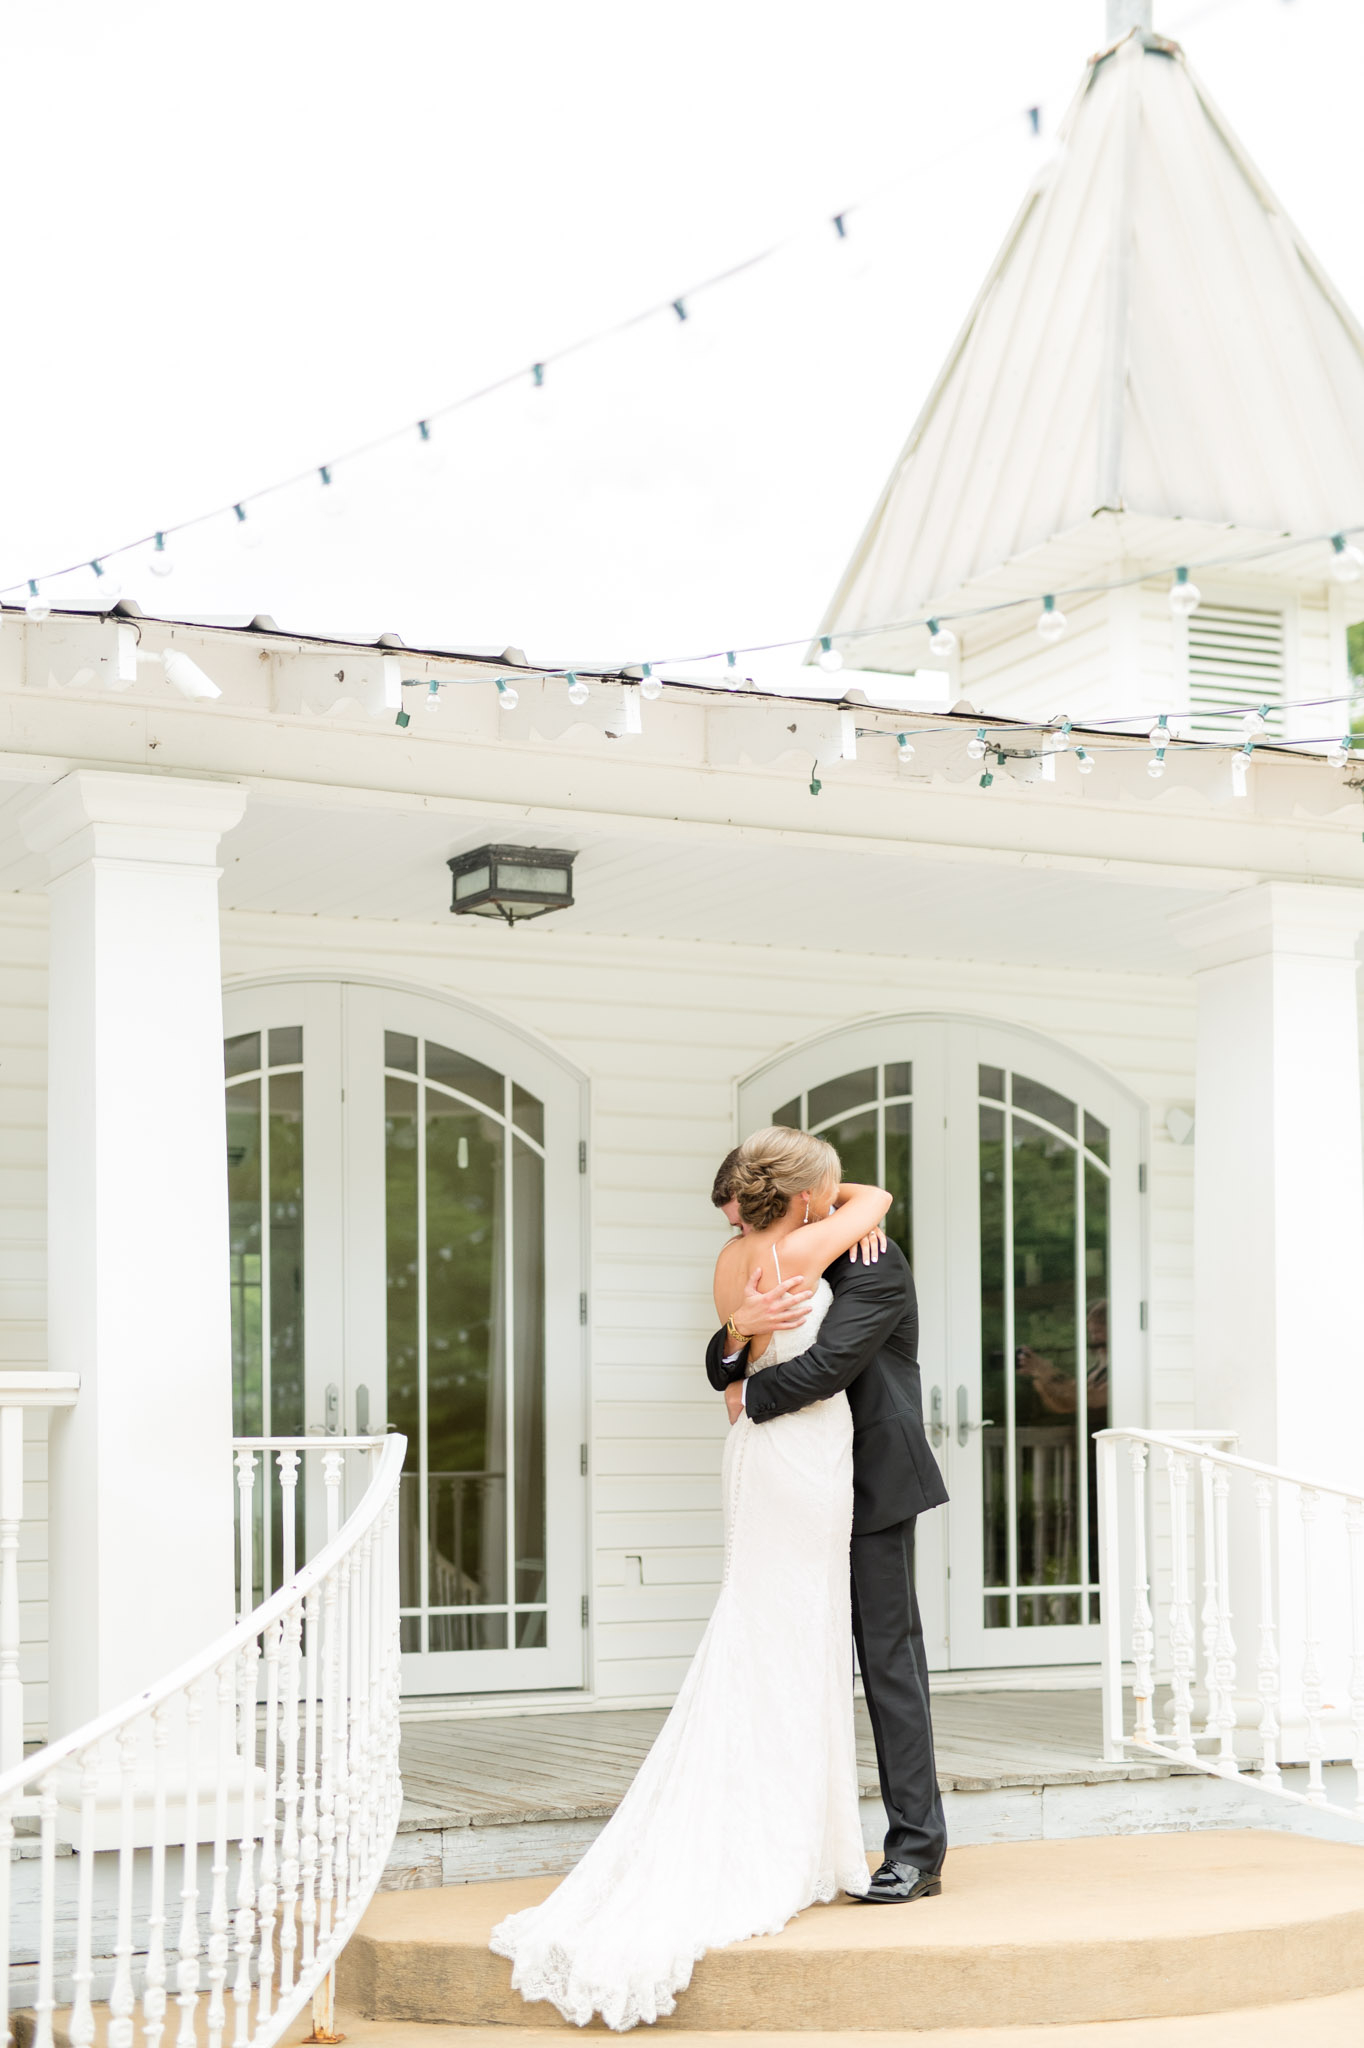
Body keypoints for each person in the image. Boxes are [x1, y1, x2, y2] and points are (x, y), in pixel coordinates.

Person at [490, 1129, 892, 2030]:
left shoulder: (733, 1256)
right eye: (818, 1192)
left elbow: (732, 1371)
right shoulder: (804, 1242)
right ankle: (794, 1840)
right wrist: (844, 1202)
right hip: (805, 1451)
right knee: (799, 1629)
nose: (837, 1200)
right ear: (798, 1202)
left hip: (750, 1445)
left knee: (764, 1622)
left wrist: (805, 1194)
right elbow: (873, 1201)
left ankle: (796, 1825)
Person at [707, 1141, 949, 1906]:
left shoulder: (875, 1262)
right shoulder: (762, 1254)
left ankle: (917, 1852)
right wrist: (732, 1344)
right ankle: (780, 1831)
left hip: (871, 1484)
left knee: (888, 1666)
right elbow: (721, 1356)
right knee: (787, 1654)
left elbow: (828, 1366)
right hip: (798, 1484)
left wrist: (746, 1397)